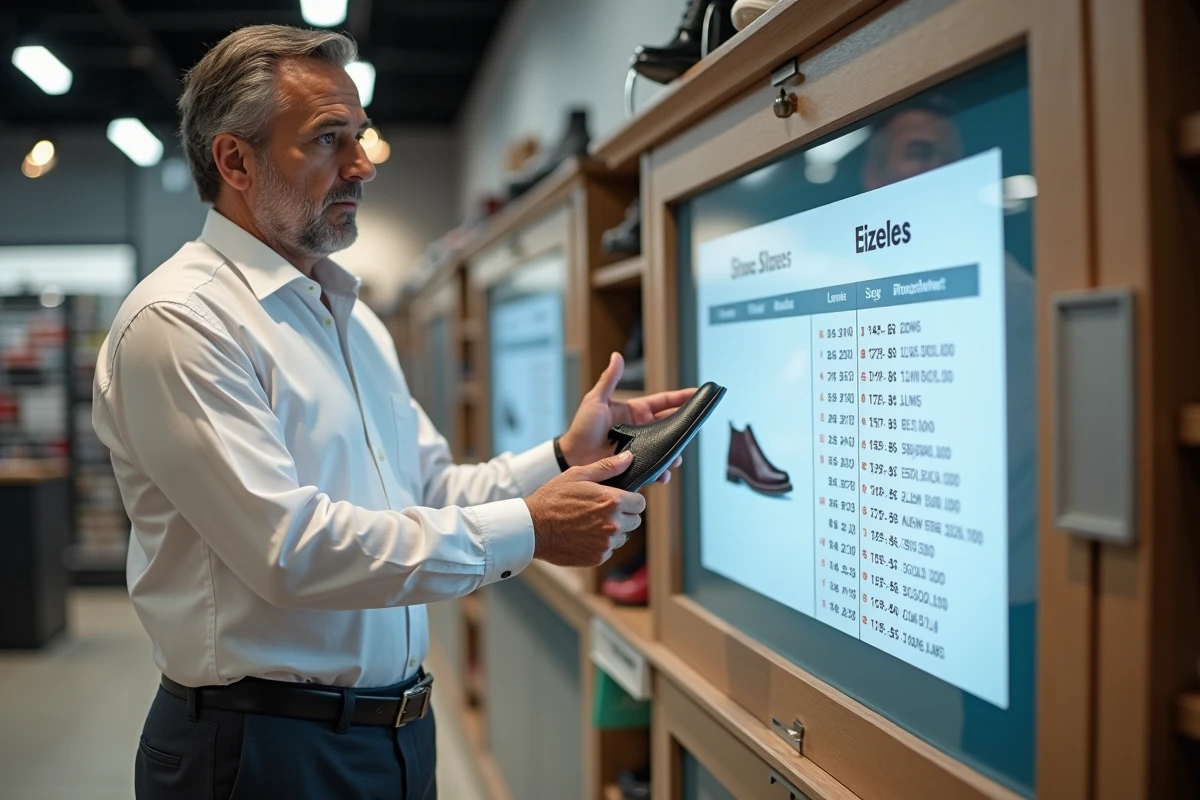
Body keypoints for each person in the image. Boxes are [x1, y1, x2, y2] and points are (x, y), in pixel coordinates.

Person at [92, 25, 693, 800]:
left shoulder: (348, 315)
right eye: (327, 139)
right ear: (234, 160)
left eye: (362, 136)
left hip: (397, 733)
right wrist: (533, 528)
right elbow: (291, 549)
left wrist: (562, 461)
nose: (361, 165)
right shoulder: (180, 321)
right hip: (261, 752)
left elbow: (429, 486)